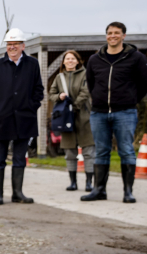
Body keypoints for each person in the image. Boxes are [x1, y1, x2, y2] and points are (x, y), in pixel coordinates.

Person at [82, 21, 147, 203]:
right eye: (109, 33)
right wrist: (98, 98)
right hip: (99, 113)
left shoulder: (136, 58)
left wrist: (130, 99)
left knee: (126, 150)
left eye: (116, 33)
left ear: (123, 36)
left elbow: (145, 83)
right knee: (101, 151)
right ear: (106, 35)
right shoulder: (95, 59)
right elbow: (91, 83)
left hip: (125, 112)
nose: (112, 36)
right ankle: (99, 190)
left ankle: (128, 192)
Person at [0, 28, 44, 205]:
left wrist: (32, 107)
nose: (12, 47)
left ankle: (17, 193)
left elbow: (38, 90)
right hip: (2, 120)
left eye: (15, 44)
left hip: (25, 120)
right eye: (9, 44)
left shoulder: (32, 65)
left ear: (23, 46)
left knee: (19, 158)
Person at [48, 50, 95, 192]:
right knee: (69, 152)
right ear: (63, 62)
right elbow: (51, 93)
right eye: (67, 59)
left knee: (88, 151)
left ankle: (88, 183)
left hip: (84, 117)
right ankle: (73, 182)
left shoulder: (85, 74)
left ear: (78, 61)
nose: (70, 61)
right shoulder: (59, 77)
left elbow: (85, 92)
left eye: (72, 59)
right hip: (65, 118)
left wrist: (73, 107)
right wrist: (59, 97)